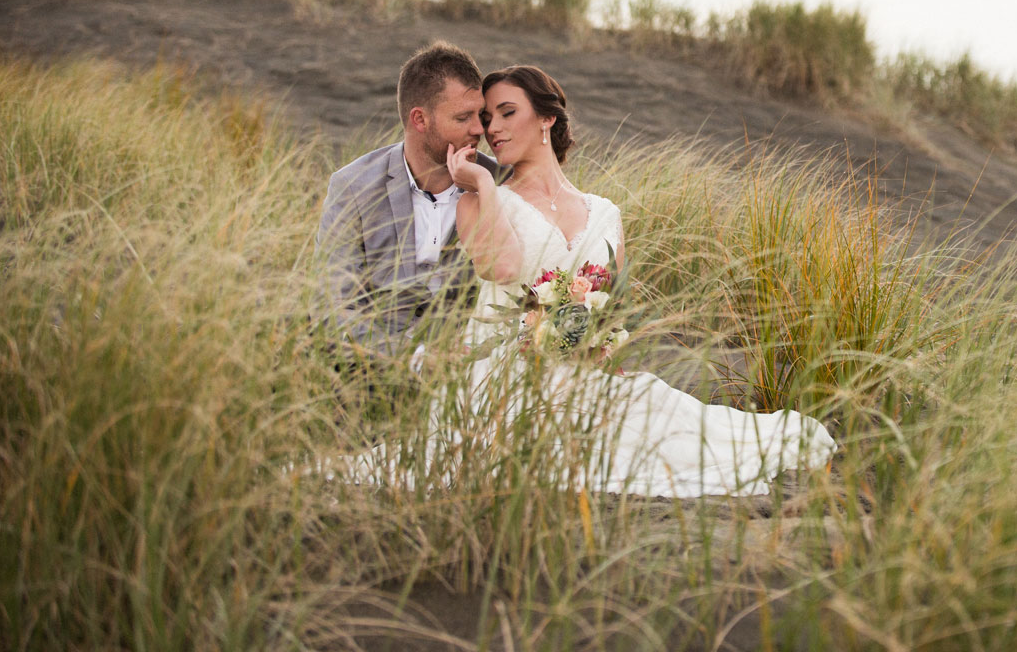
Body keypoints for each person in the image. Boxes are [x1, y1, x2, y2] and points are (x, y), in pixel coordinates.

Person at [330, 64, 836, 497]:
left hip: (576, 368)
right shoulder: (478, 199)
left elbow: (606, 304)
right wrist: (484, 182)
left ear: (547, 117)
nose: (492, 129)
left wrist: (596, 349)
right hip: (498, 369)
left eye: (507, 112)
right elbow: (501, 269)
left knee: (654, 412)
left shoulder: (604, 212)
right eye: (486, 120)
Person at [315, 41, 510, 357]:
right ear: (420, 119)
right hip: (373, 371)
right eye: (463, 118)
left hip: (476, 369)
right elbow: (333, 306)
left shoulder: (501, 183)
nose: (479, 130)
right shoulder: (353, 186)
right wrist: (414, 359)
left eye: (480, 115)